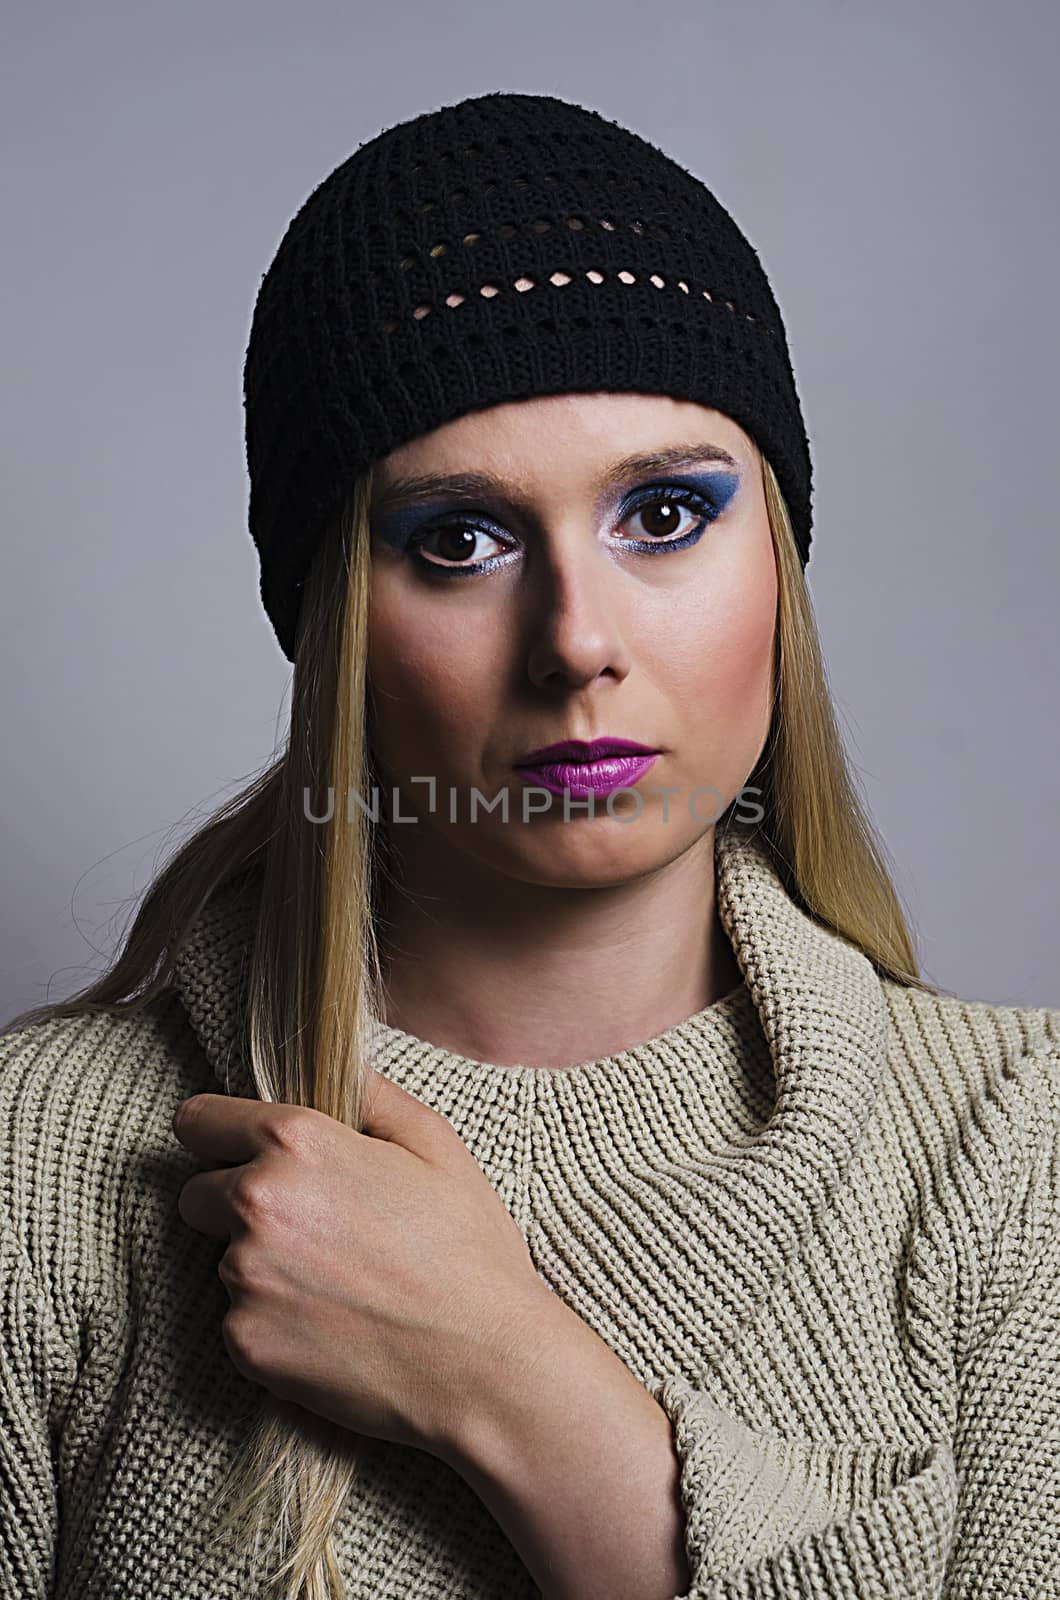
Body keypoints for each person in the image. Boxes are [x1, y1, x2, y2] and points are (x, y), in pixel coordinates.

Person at [1, 89, 1057, 1600]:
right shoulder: (36, 1168)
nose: (577, 642)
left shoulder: (1015, 1155)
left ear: (780, 554)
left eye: (667, 513)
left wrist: (520, 1392)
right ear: (336, 629)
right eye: (458, 541)